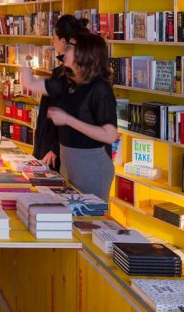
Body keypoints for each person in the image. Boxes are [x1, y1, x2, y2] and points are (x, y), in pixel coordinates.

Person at [23, 31, 117, 201]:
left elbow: (109, 135)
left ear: (84, 52)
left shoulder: (100, 89)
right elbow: (32, 84)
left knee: (89, 221)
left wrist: (68, 120)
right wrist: (24, 65)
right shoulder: (68, 82)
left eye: (68, 48)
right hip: (69, 163)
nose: (63, 51)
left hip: (92, 167)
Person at [20, 15, 89, 169]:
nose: (52, 42)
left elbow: (70, 115)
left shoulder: (69, 77)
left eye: (54, 38)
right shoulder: (60, 73)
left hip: (54, 150)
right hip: (48, 142)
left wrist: (54, 148)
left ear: (64, 42)